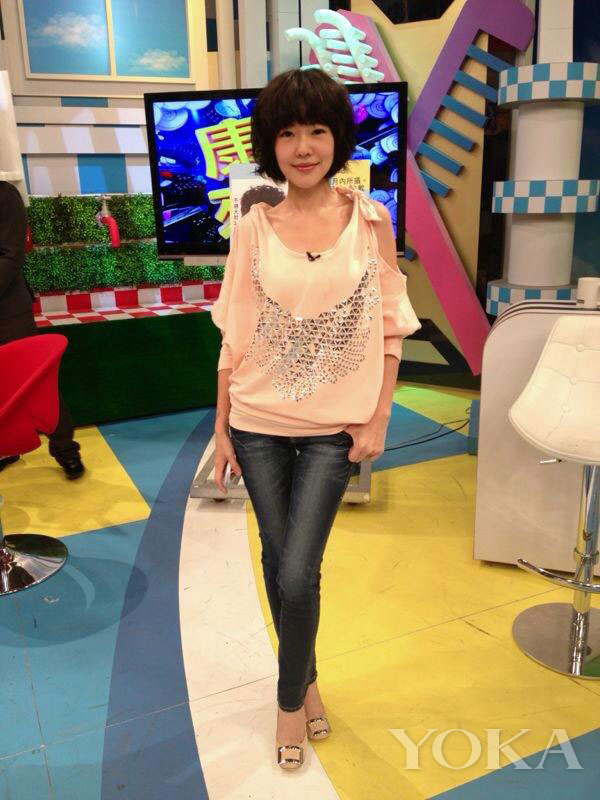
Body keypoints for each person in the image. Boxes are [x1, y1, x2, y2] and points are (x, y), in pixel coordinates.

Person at [210, 69, 420, 770]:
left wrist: (378, 418)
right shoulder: (252, 225)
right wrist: (220, 428)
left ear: (338, 138)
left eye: (318, 130)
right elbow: (234, 333)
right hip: (257, 423)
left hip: (335, 431)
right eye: (289, 132)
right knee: (280, 562)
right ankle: (308, 685)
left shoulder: (371, 221)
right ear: (271, 145)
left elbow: (391, 325)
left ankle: (285, 701)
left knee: (298, 572)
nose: (303, 147)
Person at [0, 180, 84, 478]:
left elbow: (11, 256)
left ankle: (65, 448)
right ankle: (5, 447)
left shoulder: (4, 194)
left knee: (36, 383)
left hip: (8, 310)